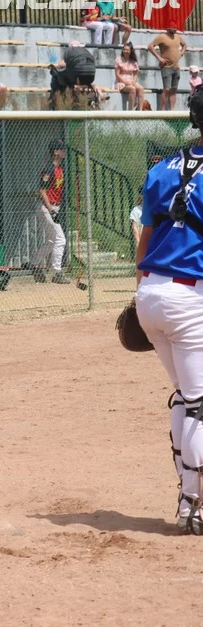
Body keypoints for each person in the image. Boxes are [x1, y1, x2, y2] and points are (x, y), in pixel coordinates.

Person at [133, 91, 203, 533]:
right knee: (198, 405)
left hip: (151, 295)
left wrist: (140, 291)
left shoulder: (162, 167)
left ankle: (187, 494)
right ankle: (192, 505)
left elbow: (146, 236)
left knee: (184, 395)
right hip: (189, 297)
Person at [32, 139, 71, 284]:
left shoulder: (60, 168)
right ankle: (57, 273)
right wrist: (51, 210)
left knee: (51, 240)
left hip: (55, 207)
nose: (64, 152)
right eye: (61, 149)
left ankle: (34, 264)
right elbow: (42, 191)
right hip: (46, 208)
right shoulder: (49, 168)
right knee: (60, 239)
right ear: (55, 152)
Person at [50, 41, 96, 108]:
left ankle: (55, 101)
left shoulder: (70, 52)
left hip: (75, 76)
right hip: (90, 76)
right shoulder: (85, 52)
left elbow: (61, 64)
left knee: (57, 73)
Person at [150, 26, 187, 111]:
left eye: (176, 27)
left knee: (174, 90)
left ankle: (172, 110)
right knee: (166, 89)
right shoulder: (162, 37)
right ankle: (162, 110)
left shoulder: (178, 37)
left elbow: (184, 45)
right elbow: (150, 46)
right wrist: (159, 58)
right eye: (173, 27)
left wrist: (181, 53)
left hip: (176, 67)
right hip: (166, 67)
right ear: (168, 27)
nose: (175, 29)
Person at [115, 42, 144, 111]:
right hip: (121, 82)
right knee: (132, 89)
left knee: (141, 88)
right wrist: (125, 81)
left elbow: (136, 73)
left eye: (127, 50)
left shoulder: (133, 61)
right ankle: (131, 111)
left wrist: (134, 80)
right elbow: (117, 74)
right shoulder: (119, 59)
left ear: (131, 51)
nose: (125, 51)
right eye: (124, 49)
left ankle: (140, 110)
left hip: (131, 80)